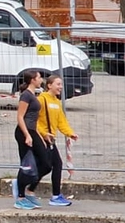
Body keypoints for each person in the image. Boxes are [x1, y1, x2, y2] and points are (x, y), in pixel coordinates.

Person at [37, 74, 77, 207]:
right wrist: (43, 133)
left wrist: (70, 133)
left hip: (50, 139)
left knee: (56, 165)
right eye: (58, 84)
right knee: (46, 166)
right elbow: (33, 120)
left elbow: (61, 121)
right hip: (42, 139)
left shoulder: (56, 102)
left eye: (61, 84)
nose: (61, 87)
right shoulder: (42, 100)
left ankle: (55, 195)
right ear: (49, 85)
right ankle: (23, 185)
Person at [11, 69, 47, 210]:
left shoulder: (33, 94)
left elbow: (34, 119)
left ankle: (29, 189)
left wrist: (39, 135)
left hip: (32, 131)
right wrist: (27, 135)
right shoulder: (26, 95)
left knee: (45, 163)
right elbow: (20, 117)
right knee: (26, 163)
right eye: (39, 77)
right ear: (33, 79)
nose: (41, 80)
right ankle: (20, 197)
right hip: (24, 131)